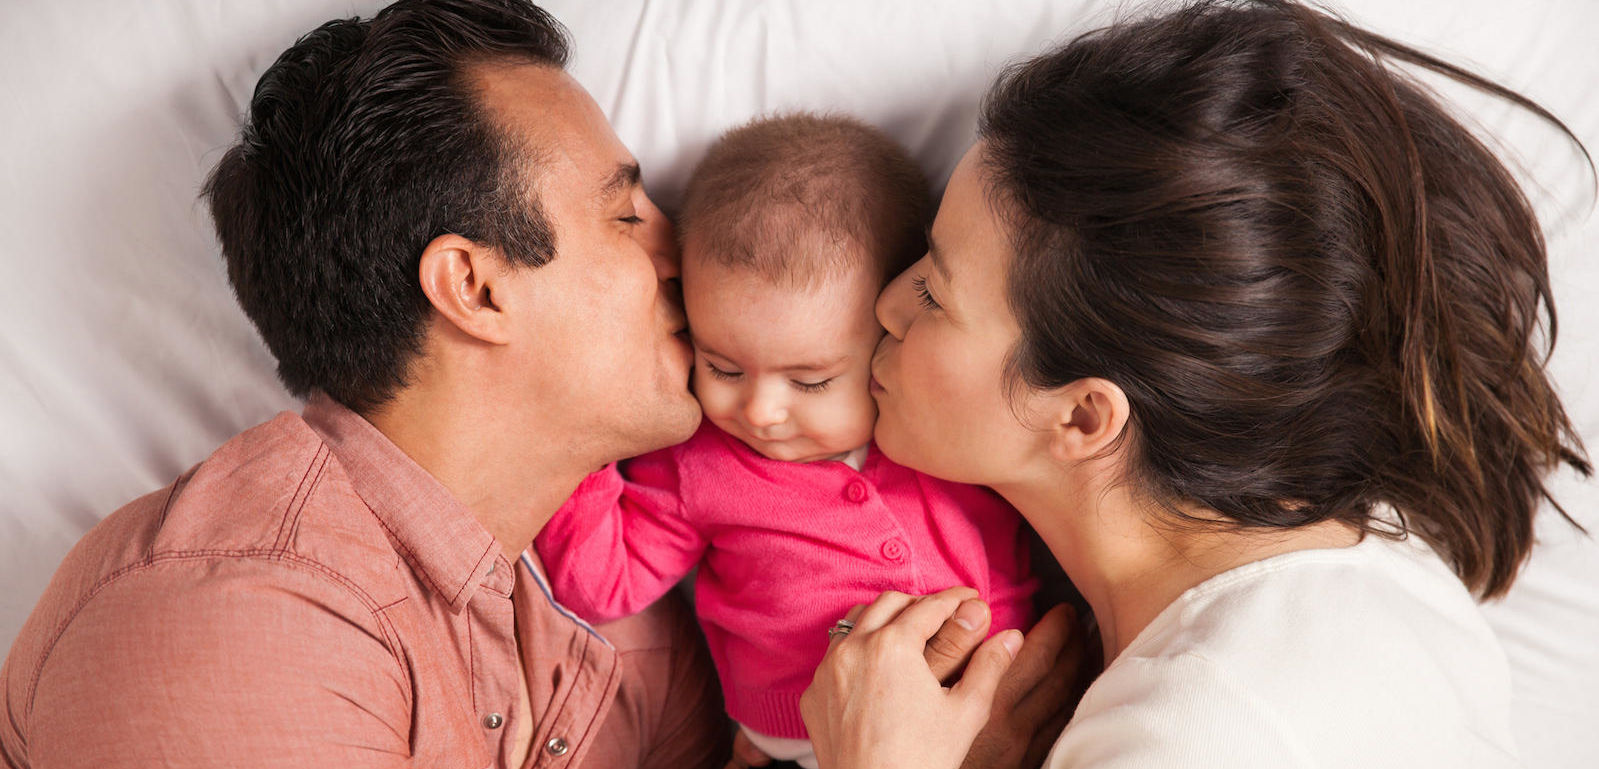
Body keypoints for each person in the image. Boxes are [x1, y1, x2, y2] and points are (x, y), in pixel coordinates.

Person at [799, 1, 1593, 767]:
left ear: (1081, 415)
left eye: (935, 292)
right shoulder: (1374, 565)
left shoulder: (1203, 728)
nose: (887, 304)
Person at [0, 1, 725, 766]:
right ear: (474, 287)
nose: (683, 252)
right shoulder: (237, 616)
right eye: (625, 214)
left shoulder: (628, 638)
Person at [534, 113, 1040, 769]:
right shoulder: (697, 461)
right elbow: (600, 582)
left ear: (893, 334)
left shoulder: (943, 426)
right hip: (804, 745)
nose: (761, 410)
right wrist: (585, 437)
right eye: (722, 367)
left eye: (810, 379)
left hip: (1010, 708)